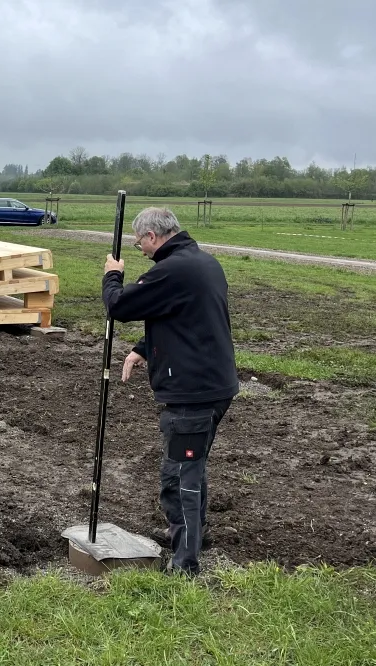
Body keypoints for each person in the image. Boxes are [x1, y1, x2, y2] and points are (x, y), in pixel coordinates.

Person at [101, 207, 239, 577]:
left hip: (193, 392)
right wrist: (143, 349)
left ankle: (185, 564)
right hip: (213, 384)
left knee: (178, 478)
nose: (141, 250)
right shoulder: (202, 263)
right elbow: (184, 317)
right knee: (191, 468)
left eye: (139, 243)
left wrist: (113, 276)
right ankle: (193, 536)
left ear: (151, 236)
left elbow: (120, 306)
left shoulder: (171, 270)